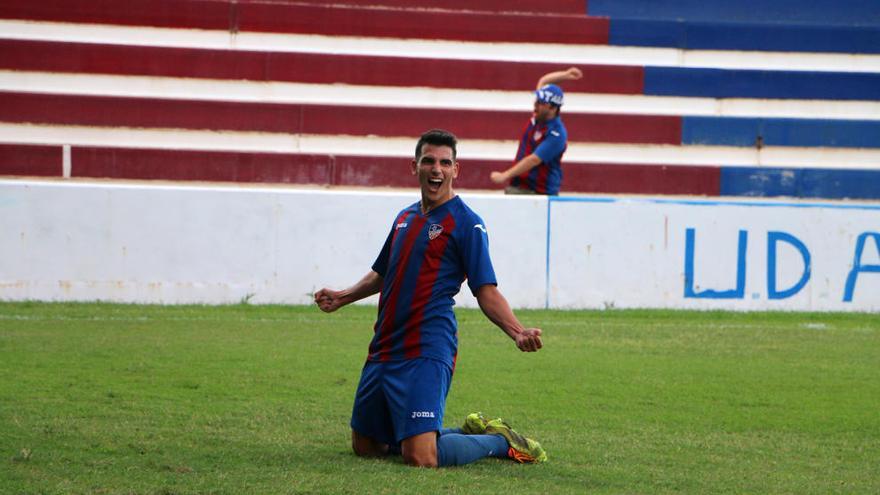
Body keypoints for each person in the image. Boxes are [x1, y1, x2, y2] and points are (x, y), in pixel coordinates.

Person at [314, 128, 547, 468]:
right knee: (366, 446)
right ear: (415, 166)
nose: (436, 169)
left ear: (456, 170)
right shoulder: (404, 218)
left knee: (421, 457)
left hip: (427, 347)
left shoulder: (467, 224)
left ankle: (500, 441)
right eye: (428, 161)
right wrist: (343, 296)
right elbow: (382, 273)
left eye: (444, 162)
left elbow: (486, 289)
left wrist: (517, 331)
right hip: (385, 346)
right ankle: (449, 433)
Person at [490, 67, 582, 195]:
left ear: (552, 107)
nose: (535, 104)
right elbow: (544, 81)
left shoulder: (557, 133)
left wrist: (504, 175)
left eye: (540, 102)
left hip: (540, 191)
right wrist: (565, 75)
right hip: (522, 186)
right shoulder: (538, 116)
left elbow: (533, 159)